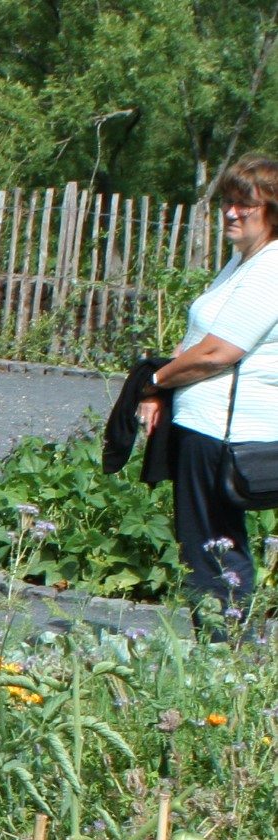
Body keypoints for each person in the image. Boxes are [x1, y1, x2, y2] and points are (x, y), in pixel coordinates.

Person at [138, 157, 278, 617]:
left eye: (245, 205)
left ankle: (223, 656)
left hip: (227, 432)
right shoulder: (242, 262)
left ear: (272, 210)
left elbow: (219, 352)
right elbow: (198, 339)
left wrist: (153, 381)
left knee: (215, 552)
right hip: (207, 425)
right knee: (207, 546)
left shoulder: (270, 270)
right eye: (228, 202)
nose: (232, 213)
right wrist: (163, 391)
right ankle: (223, 653)